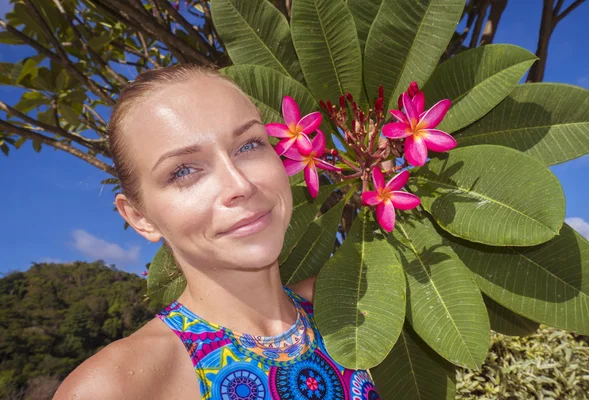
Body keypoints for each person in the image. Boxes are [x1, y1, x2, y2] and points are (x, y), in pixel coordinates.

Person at [54, 64, 380, 399]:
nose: (240, 184)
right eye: (183, 171)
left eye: (249, 145)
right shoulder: (117, 386)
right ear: (140, 218)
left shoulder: (346, 307)